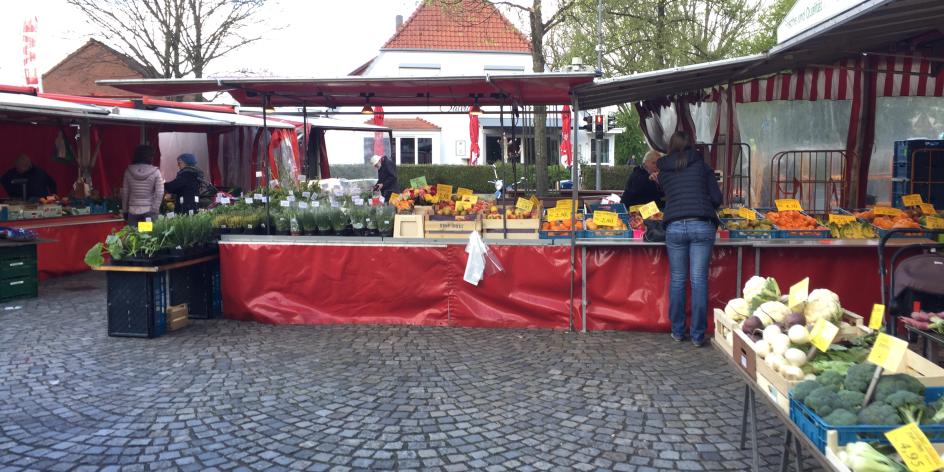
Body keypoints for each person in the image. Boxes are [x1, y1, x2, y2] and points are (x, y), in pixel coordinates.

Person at [657, 131, 722, 347]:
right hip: (702, 224)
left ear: (670, 147)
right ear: (692, 146)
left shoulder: (664, 170)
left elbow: (669, 195)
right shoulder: (702, 167)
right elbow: (716, 198)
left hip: (674, 225)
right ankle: (697, 335)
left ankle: (677, 330)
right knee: (698, 280)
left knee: (677, 279)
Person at [121, 145, 164, 225]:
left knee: (134, 235)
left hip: (133, 211)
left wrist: (125, 210)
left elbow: (125, 193)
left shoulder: (128, 171)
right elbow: (160, 192)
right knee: (147, 235)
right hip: (149, 211)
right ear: (150, 157)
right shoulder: (155, 172)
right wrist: (155, 209)